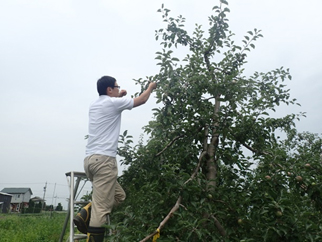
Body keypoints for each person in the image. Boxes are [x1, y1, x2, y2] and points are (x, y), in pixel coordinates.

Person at [74, 75, 157, 242]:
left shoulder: (95, 104)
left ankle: (85, 213)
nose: (120, 89)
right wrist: (151, 87)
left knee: (119, 197)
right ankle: (91, 217)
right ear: (109, 89)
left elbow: (110, 104)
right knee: (102, 209)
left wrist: (119, 96)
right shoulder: (113, 103)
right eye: (117, 87)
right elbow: (141, 100)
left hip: (90, 161)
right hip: (104, 162)